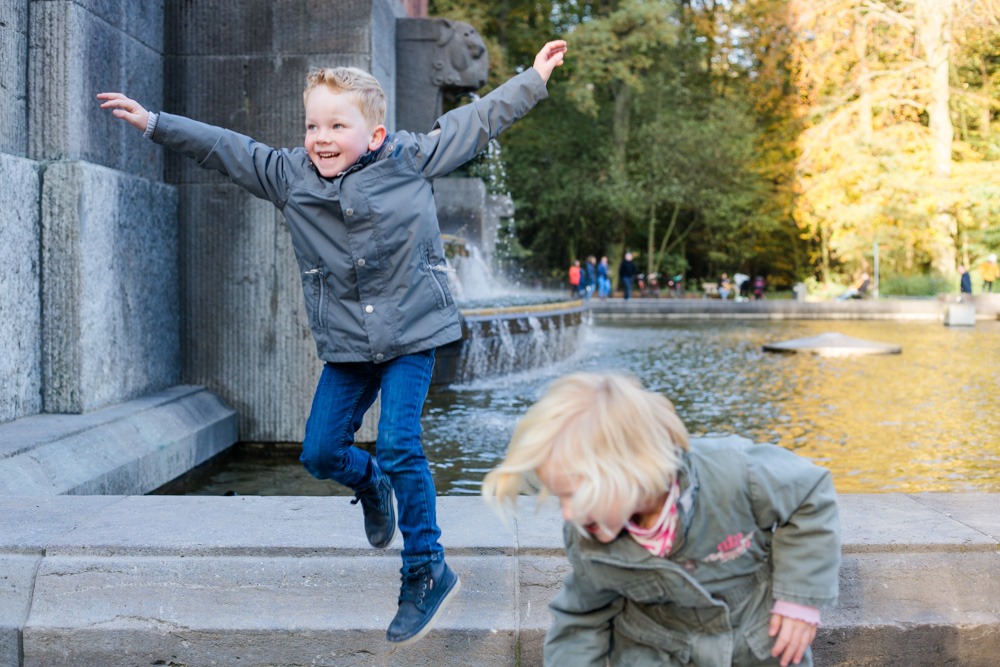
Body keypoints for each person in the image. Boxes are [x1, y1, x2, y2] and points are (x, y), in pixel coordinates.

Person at [99, 39, 569, 646]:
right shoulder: (291, 177)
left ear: (372, 134)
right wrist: (157, 124)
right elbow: (226, 148)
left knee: (402, 443)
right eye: (312, 124)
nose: (320, 137)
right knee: (321, 454)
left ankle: (426, 566)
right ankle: (369, 484)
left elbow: (477, 122)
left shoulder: (410, 159)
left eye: (336, 125)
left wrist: (532, 78)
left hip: (412, 334)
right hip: (348, 344)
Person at [482, 373, 840, 667]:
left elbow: (811, 494)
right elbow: (579, 621)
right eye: (560, 497)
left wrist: (800, 598)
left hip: (756, 647)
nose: (568, 513)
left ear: (633, 472)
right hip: (654, 652)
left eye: (575, 495)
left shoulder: (734, 473)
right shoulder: (587, 539)